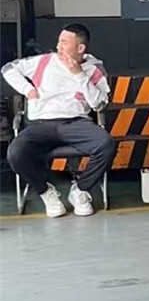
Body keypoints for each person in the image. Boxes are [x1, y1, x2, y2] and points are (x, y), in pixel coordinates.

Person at [2, 23, 116, 216]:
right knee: (15, 153)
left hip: (76, 123)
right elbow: (8, 68)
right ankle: (46, 192)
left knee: (107, 144)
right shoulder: (45, 61)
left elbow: (100, 105)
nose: (58, 47)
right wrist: (28, 90)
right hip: (41, 125)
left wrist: (79, 74)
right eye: (59, 41)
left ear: (80, 48)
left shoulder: (94, 68)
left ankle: (80, 190)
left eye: (64, 43)